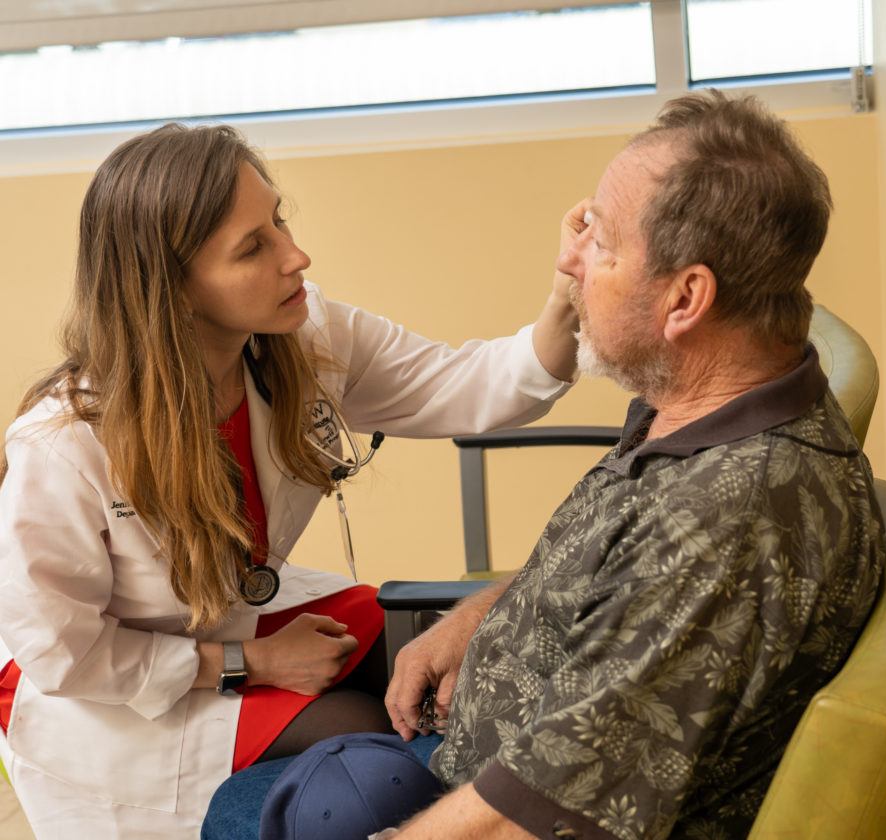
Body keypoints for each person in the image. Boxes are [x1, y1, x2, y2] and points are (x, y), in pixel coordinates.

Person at [206, 90, 886, 840]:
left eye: (599, 245)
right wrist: (478, 618)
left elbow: (538, 817)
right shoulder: (699, 405)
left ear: (687, 298)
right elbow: (610, 574)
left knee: (233, 813)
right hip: (463, 749)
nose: (568, 262)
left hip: (479, 808)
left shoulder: (724, 524)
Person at [0, 122, 582, 837]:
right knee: (369, 731)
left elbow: (469, 384)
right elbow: (66, 654)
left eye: (278, 222)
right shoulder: (63, 448)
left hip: (227, 607)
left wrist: (568, 299)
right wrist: (255, 661)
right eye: (254, 247)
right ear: (173, 289)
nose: (296, 256)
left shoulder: (301, 338)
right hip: (108, 685)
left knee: (455, 664)